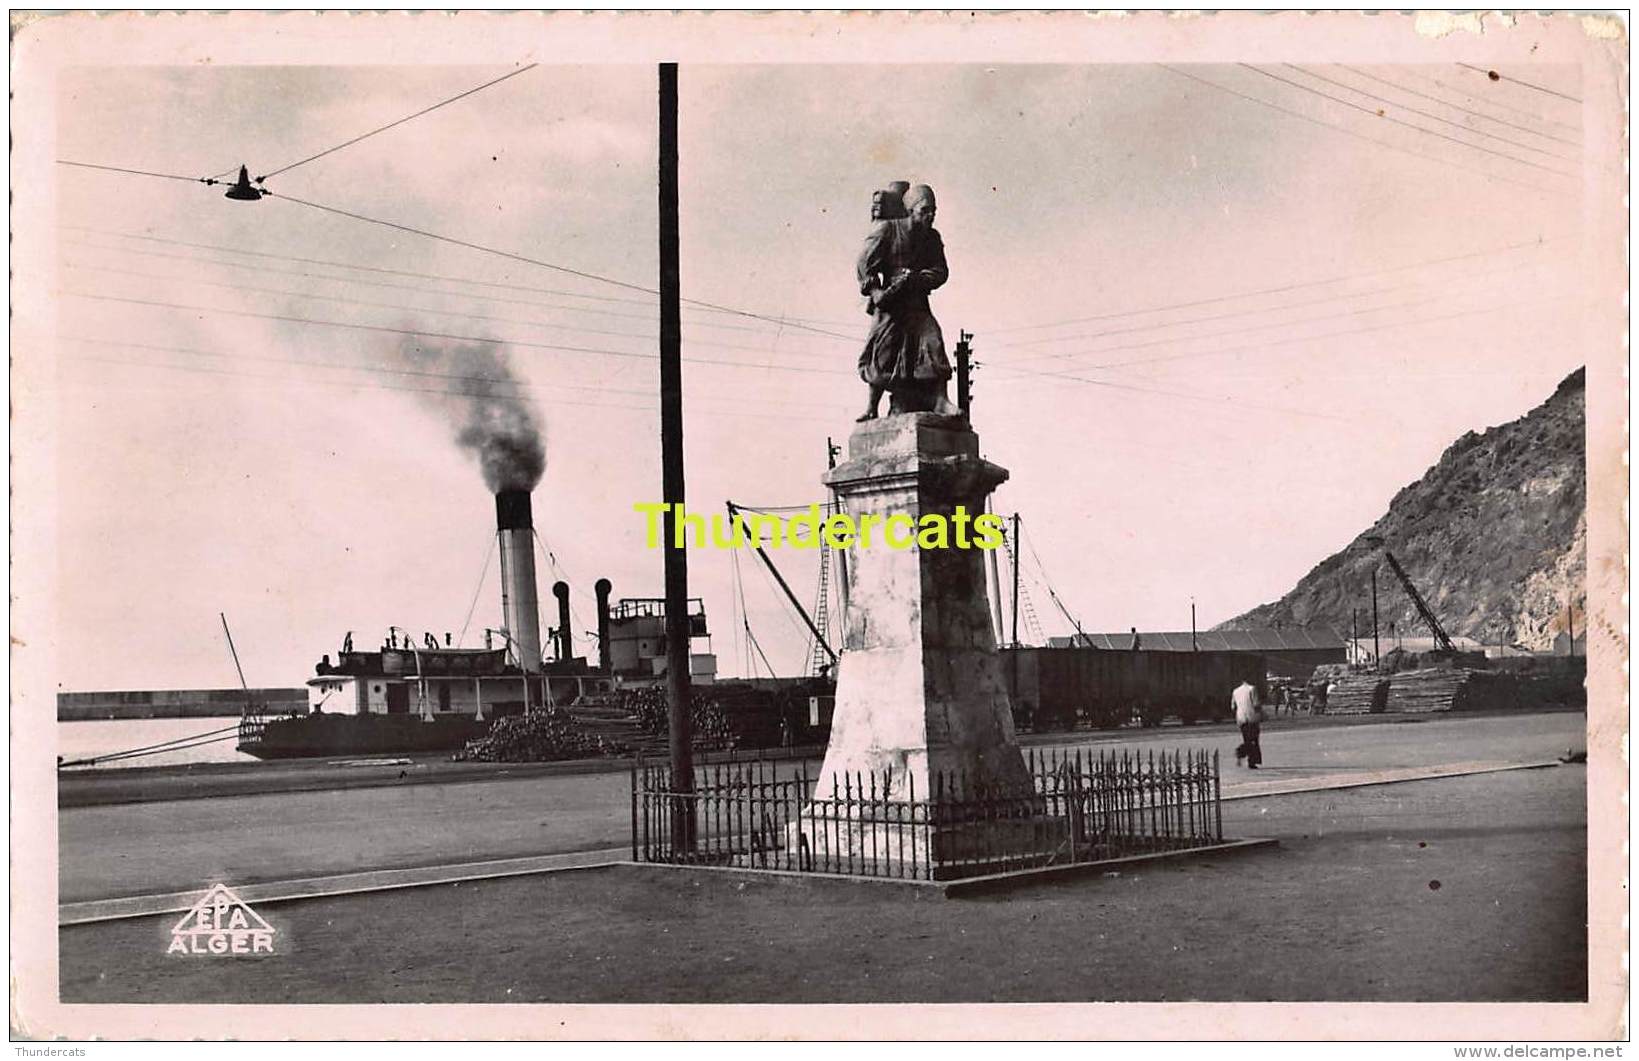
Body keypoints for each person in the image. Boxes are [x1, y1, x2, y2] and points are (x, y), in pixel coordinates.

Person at [856, 183, 958, 421]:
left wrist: (919, 278)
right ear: (912, 210)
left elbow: (940, 271)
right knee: (883, 352)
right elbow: (864, 262)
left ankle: (941, 401)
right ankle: (872, 407)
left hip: (916, 301)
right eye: (924, 210)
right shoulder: (888, 230)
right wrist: (875, 291)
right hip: (891, 302)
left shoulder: (932, 238)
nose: (930, 216)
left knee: (933, 341)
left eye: (933, 211)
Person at [1232, 679, 1263, 769]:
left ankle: (1248, 757)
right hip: (1252, 718)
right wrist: (1261, 715)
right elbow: (1256, 704)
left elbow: (1233, 706)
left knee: (1247, 739)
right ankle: (1243, 753)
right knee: (1253, 740)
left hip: (1241, 718)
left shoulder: (1235, 691)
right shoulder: (1252, 689)